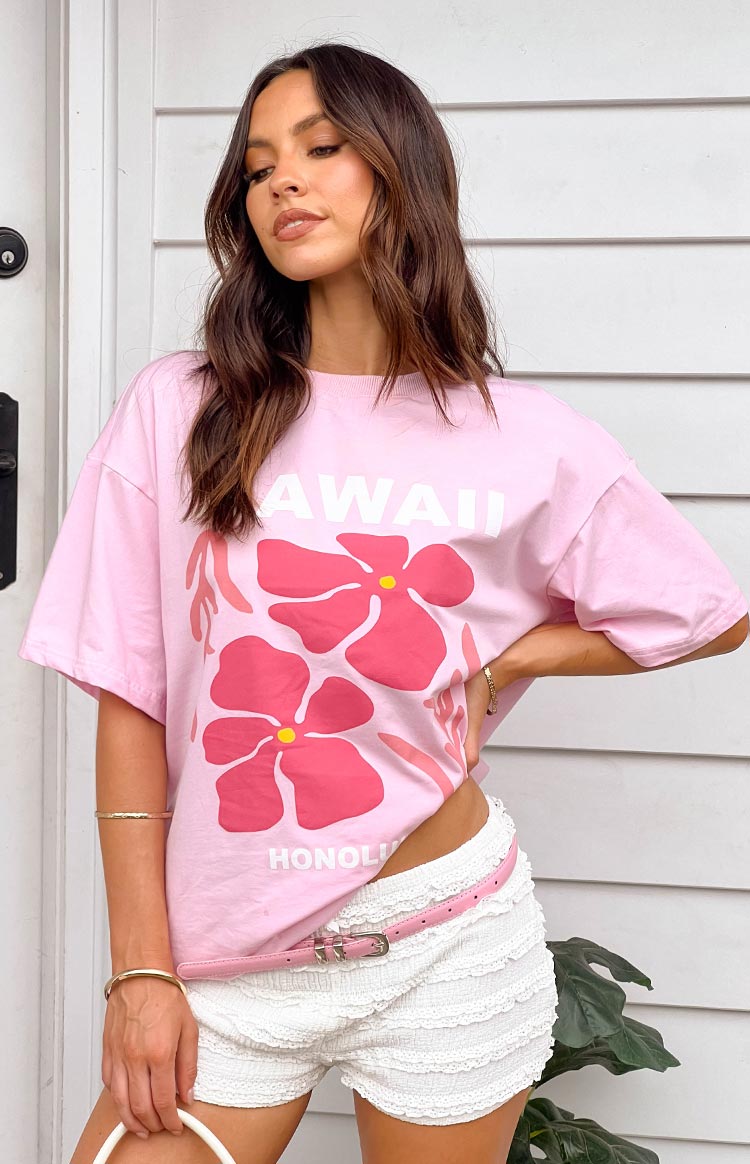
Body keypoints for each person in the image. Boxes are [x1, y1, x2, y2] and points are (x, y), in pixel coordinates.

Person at [19, 42, 748, 1164]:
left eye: (322, 148)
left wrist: (521, 654)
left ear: (401, 173)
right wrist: (140, 969)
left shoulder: (524, 438)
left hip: (445, 936)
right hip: (227, 962)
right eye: (258, 166)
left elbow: (707, 612)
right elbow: (132, 697)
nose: (284, 183)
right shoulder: (182, 410)